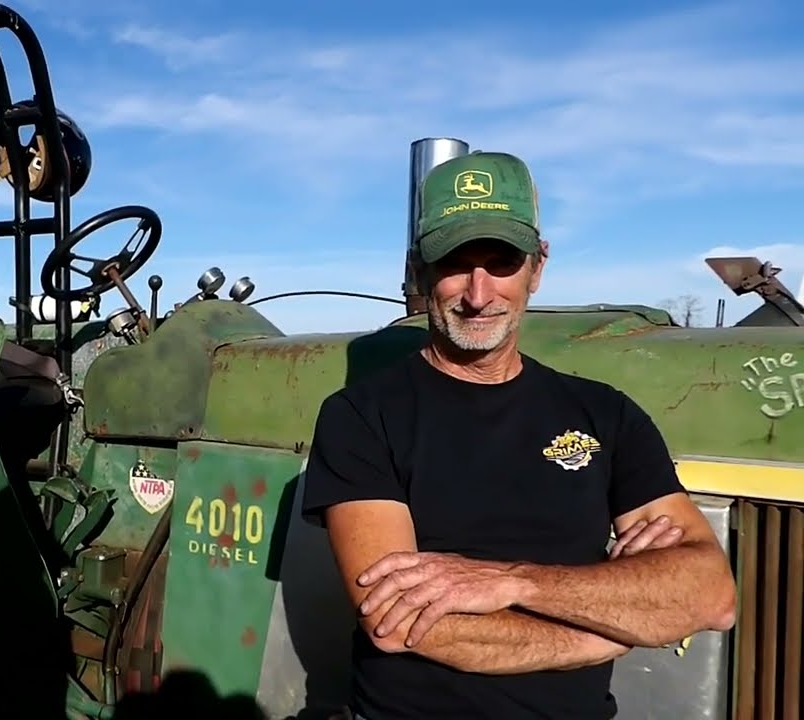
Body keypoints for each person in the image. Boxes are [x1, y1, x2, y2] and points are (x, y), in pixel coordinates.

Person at [301, 151, 737, 719]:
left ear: (537, 266)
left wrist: (514, 582)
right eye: (454, 263)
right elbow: (398, 622)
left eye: (502, 262)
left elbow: (711, 596)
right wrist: (604, 631)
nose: (478, 294)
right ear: (418, 271)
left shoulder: (606, 414)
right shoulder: (360, 417)